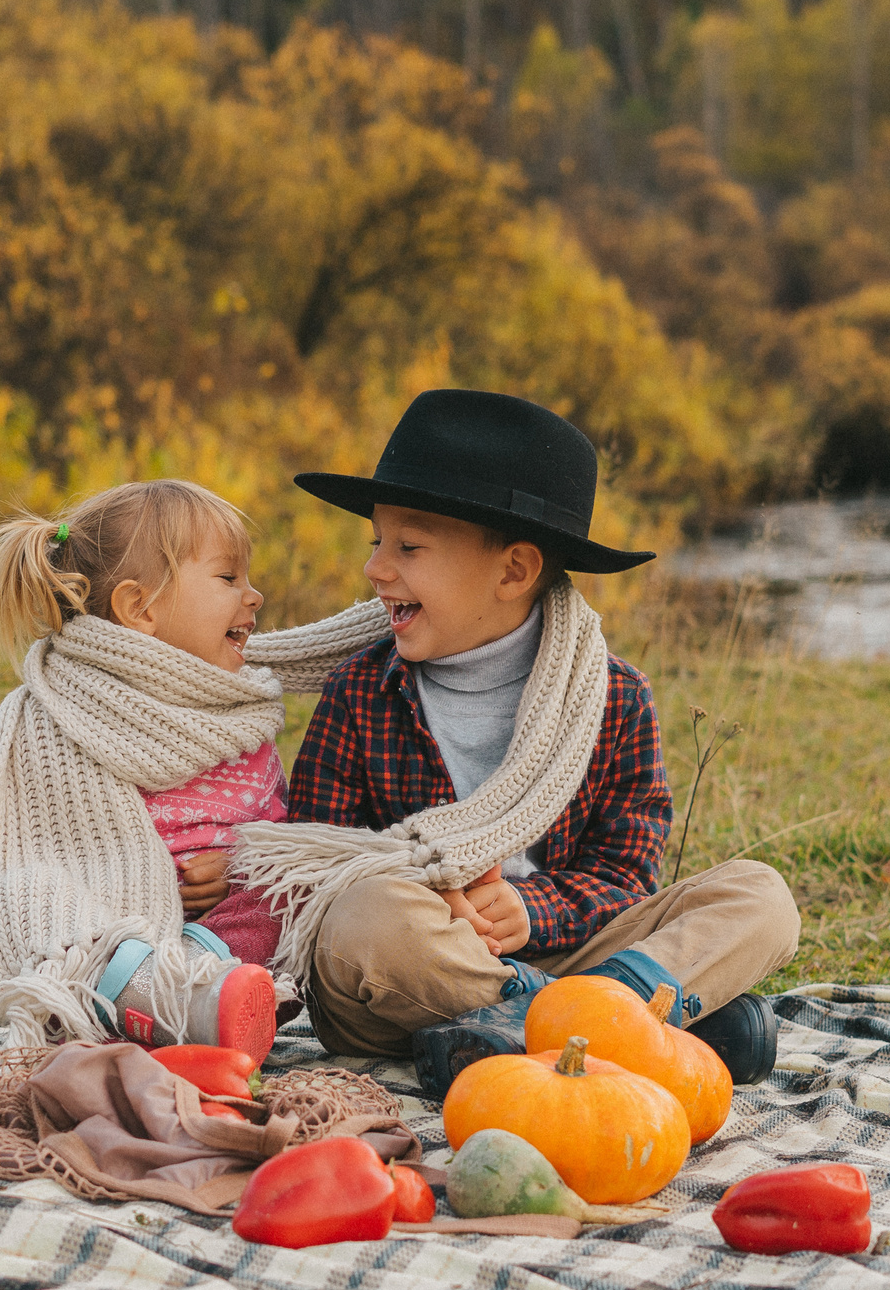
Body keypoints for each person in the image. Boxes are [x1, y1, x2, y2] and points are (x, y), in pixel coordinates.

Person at [226, 390, 803, 1094]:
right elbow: (321, 868)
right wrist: (438, 889)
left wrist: (535, 910)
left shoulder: (613, 697)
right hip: (420, 964)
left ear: (513, 571)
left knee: (760, 895)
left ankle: (538, 1023)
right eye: (375, 541)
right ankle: (622, 1025)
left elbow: (625, 876)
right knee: (365, 918)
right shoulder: (360, 691)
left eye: (408, 547)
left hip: (565, 951)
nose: (377, 568)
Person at [0, 479, 385, 1059]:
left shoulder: (237, 715)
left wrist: (239, 865)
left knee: (293, 886)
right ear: (142, 608)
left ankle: (208, 996)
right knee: (81, 936)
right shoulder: (55, 716)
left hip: (215, 935)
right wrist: (94, 893)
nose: (253, 596)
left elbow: (277, 828)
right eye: (229, 579)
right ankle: (137, 991)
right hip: (111, 934)